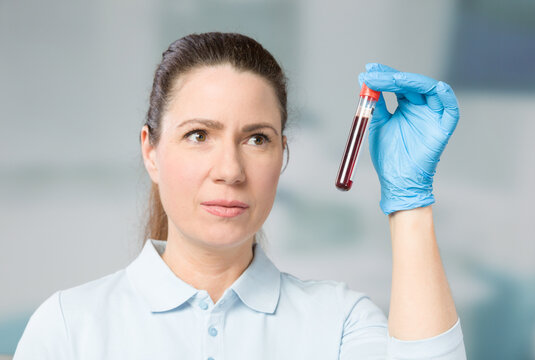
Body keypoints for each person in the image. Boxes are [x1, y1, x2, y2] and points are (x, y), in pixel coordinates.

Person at [14, 32, 466, 359]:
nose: (230, 171)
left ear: (283, 155)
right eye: (198, 135)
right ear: (150, 151)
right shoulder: (70, 327)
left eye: (257, 139)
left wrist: (410, 202)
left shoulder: (341, 322)